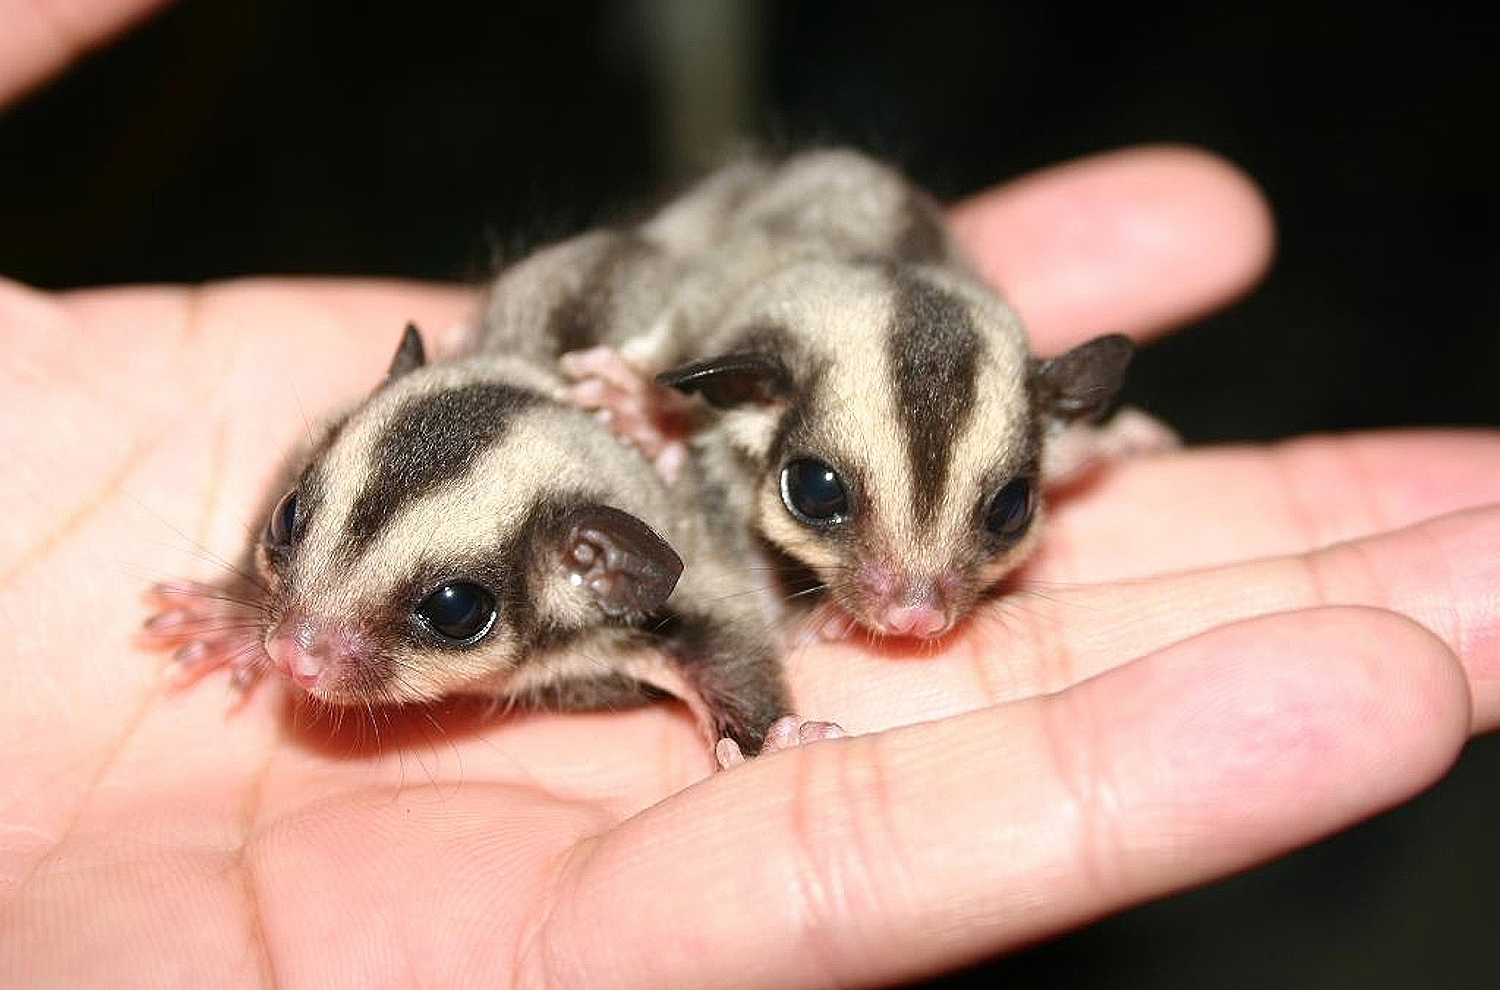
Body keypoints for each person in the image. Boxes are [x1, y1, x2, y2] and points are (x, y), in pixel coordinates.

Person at [2, 2, 1497, 986]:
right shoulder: (649, 392)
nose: (912, 603)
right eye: (835, 500)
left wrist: (754, 702)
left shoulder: (758, 408)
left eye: (995, 518)